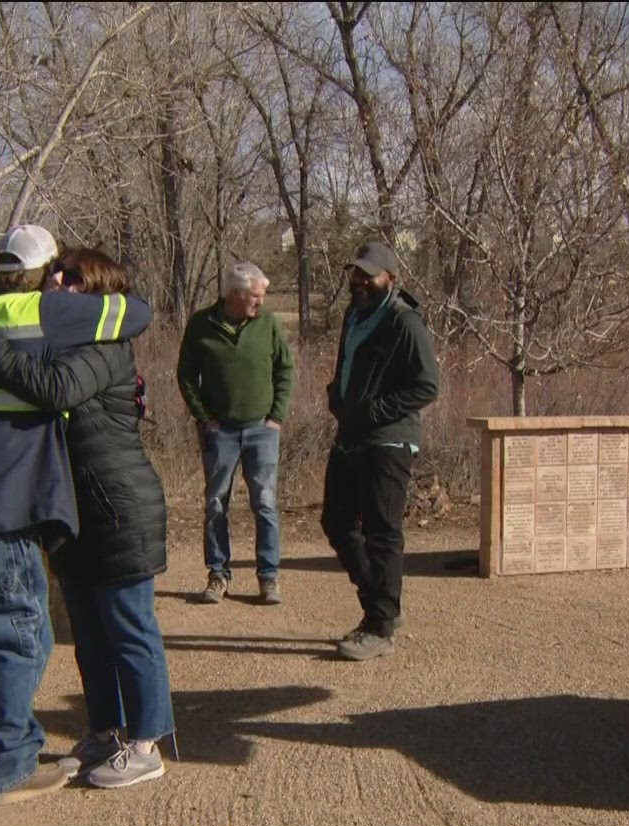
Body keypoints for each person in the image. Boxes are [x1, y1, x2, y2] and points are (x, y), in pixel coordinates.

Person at [0, 224, 150, 806]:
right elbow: (136, 312)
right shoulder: (47, 314)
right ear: (43, 277)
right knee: (18, 639)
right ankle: (11, 766)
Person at [0, 247, 172, 790]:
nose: (56, 279)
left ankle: (147, 742)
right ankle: (106, 731)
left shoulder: (104, 346)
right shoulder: (59, 344)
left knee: (130, 629)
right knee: (89, 634)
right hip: (76, 511)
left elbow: (52, 389)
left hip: (119, 509)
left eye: (71, 276)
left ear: (97, 290)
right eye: (55, 271)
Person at [322, 240, 440, 661]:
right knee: (336, 522)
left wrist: (376, 409)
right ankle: (382, 604)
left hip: (389, 439)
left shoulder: (403, 322)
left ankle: (380, 626)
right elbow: (348, 367)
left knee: (381, 532)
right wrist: (337, 395)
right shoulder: (353, 315)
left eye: (368, 274)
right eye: (355, 272)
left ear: (389, 278)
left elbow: (427, 385)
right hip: (352, 435)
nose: (359, 280)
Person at [176, 260, 294, 605]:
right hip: (220, 432)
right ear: (235, 295)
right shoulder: (201, 324)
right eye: (255, 297)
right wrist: (203, 417)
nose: (261, 303)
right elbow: (185, 375)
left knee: (266, 503)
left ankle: (268, 577)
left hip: (262, 429)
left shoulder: (268, 324)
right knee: (215, 504)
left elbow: (285, 369)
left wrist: (277, 416)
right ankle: (218, 574)